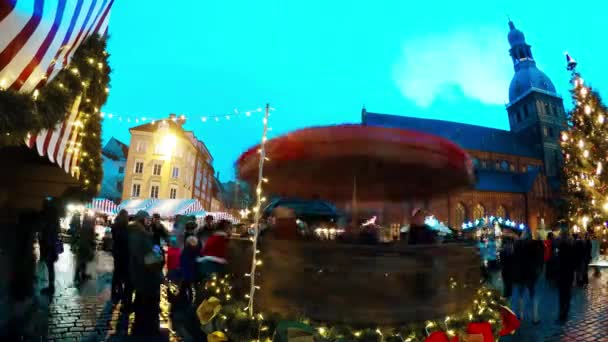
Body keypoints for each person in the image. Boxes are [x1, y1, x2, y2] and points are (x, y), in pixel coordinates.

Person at [128, 210, 164, 337]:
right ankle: (145, 328)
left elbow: (151, 248)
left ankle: (143, 325)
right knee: (145, 301)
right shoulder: (138, 233)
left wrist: (156, 251)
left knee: (144, 300)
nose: (149, 222)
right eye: (147, 219)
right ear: (141, 220)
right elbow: (142, 255)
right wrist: (157, 256)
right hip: (145, 273)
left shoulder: (143, 232)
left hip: (145, 273)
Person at [38, 197, 61, 295]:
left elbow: (47, 230)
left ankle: (50, 286)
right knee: (49, 264)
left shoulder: (49, 217)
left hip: (49, 243)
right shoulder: (54, 216)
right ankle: (50, 285)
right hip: (50, 243)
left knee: (49, 264)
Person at [555, 229, 577, 323]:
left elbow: (557, 261)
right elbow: (574, 261)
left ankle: (561, 313)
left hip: (561, 272)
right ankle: (565, 312)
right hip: (569, 272)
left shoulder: (560, 246)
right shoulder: (572, 245)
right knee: (567, 294)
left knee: (561, 295)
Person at [111, 210, 130, 306]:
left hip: (117, 252)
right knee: (123, 273)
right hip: (124, 253)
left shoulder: (115, 226)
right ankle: (120, 293)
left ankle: (115, 293)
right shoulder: (125, 228)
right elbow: (125, 239)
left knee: (117, 273)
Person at [74, 214, 96, 284]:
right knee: (84, 261)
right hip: (86, 247)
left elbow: (78, 235)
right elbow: (92, 239)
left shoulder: (82, 227)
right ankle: (82, 275)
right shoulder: (91, 229)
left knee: (80, 261)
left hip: (81, 246)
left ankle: (77, 275)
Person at [180, 236, 199, 303]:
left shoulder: (185, 251)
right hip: (190, 273)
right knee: (190, 287)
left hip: (187, 273)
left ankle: (185, 300)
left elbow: (183, 262)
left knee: (186, 287)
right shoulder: (194, 251)